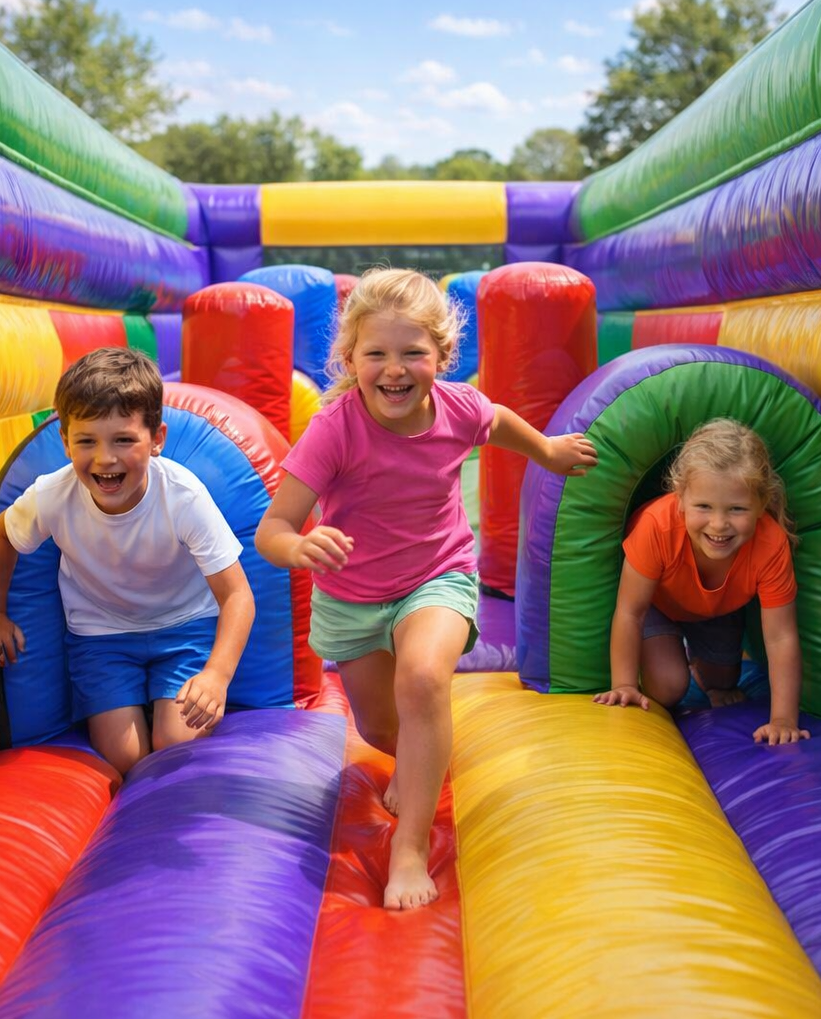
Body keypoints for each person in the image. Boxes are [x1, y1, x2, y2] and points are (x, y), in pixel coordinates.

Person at [255, 268, 597, 910]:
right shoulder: (336, 428)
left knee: (422, 677)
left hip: (438, 573)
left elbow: (495, 418)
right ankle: (420, 758)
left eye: (414, 352)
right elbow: (272, 528)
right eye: (376, 353)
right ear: (349, 358)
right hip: (353, 594)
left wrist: (548, 451)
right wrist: (300, 547)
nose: (395, 369)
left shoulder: (458, 407)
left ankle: (408, 847)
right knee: (385, 730)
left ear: (442, 356)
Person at [0, 347, 255, 776]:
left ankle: (167, 704)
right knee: (127, 758)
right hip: (101, 637)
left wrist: (216, 675)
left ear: (157, 439)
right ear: (66, 441)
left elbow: (237, 594)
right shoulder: (55, 495)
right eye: (87, 441)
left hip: (183, 627)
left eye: (123, 440)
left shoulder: (182, 496)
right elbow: (1, 536)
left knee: (173, 745)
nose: (105, 459)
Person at [592, 418, 809, 745]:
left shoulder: (770, 543)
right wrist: (624, 685)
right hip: (658, 604)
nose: (719, 524)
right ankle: (668, 655)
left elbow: (780, 637)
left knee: (724, 684)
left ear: (762, 504)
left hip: (717, 610)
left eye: (737, 509)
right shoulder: (657, 527)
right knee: (667, 687)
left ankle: (701, 663)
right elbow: (630, 612)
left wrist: (783, 718)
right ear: (679, 497)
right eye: (704, 507)